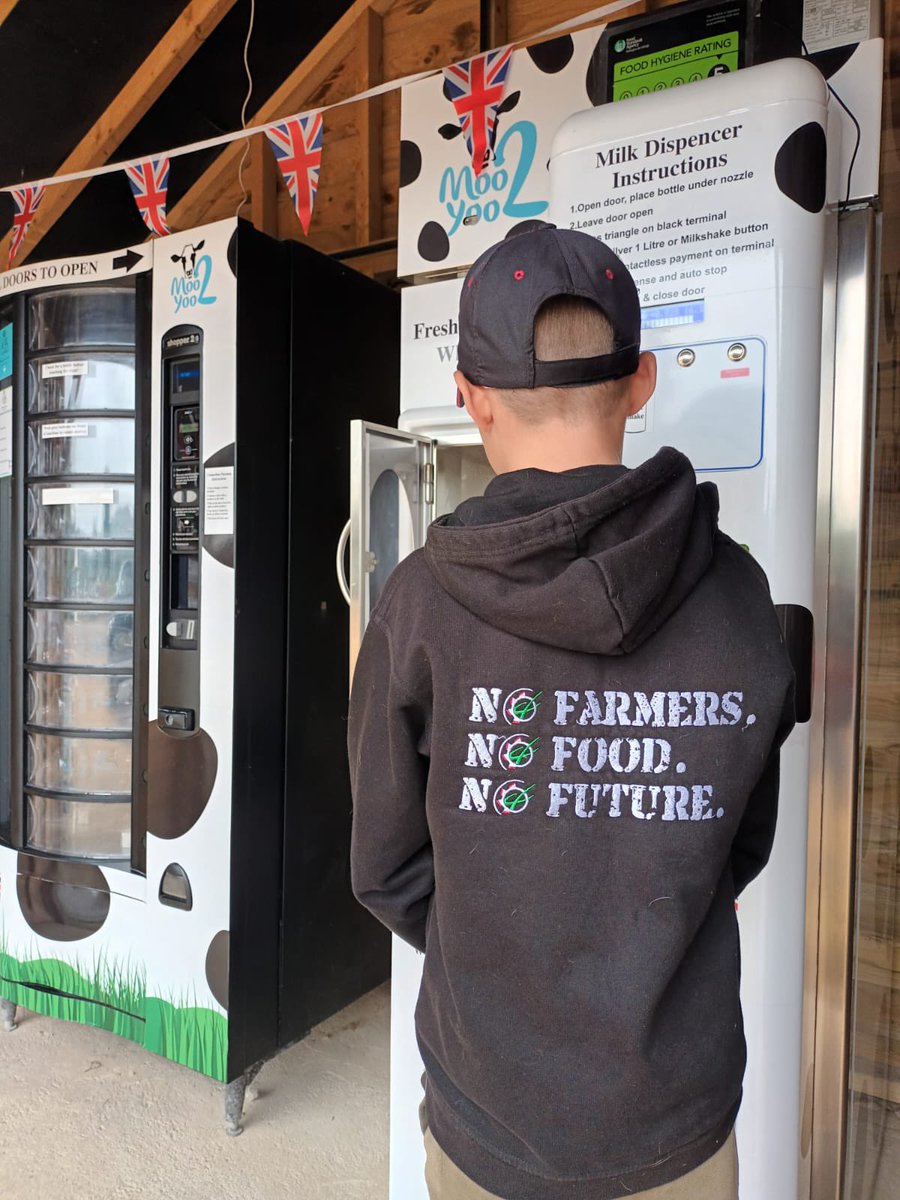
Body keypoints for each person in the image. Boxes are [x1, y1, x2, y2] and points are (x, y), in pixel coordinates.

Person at [348, 225, 795, 1200]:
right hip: (676, 1118)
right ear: (640, 380)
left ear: (468, 396)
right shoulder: (738, 594)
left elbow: (384, 869)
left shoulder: (416, 603)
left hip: (487, 1111)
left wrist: (505, 945)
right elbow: (743, 839)